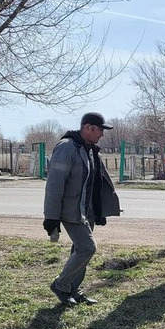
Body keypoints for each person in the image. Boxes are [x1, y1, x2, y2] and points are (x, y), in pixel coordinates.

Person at [42, 112, 120, 306]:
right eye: (100, 130)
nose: (102, 134)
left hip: (88, 210)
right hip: (71, 210)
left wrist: (100, 211)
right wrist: (51, 217)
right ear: (87, 127)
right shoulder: (66, 147)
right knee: (87, 248)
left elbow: (95, 183)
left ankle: (73, 290)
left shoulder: (90, 149)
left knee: (79, 250)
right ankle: (61, 284)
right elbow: (54, 184)